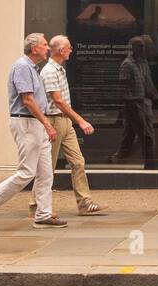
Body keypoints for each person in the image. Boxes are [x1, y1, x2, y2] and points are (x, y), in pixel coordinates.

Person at [0, 33, 66, 229]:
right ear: (34, 49)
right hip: (26, 123)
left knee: (45, 172)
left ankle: (43, 214)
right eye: (44, 45)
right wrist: (47, 123)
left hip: (35, 124)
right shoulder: (22, 67)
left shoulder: (32, 68)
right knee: (26, 172)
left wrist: (43, 124)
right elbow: (27, 100)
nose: (47, 48)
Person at [29, 34, 106, 217]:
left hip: (65, 121)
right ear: (62, 51)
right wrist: (80, 120)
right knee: (48, 167)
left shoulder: (60, 70)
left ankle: (84, 203)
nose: (71, 50)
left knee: (78, 162)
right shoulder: (49, 72)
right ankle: (35, 205)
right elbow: (57, 101)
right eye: (69, 47)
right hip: (54, 121)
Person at [109, 35, 158, 167]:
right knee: (146, 136)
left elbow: (148, 86)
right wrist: (120, 112)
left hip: (142, 104)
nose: (144, 49)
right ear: (133, 48)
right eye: (141, 47)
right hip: (133, 105)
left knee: (130, 136)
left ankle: (118, 158)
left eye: (144, 47)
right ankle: (150, 166)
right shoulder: (127, 65)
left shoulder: (142, 63)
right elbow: (121, 88)